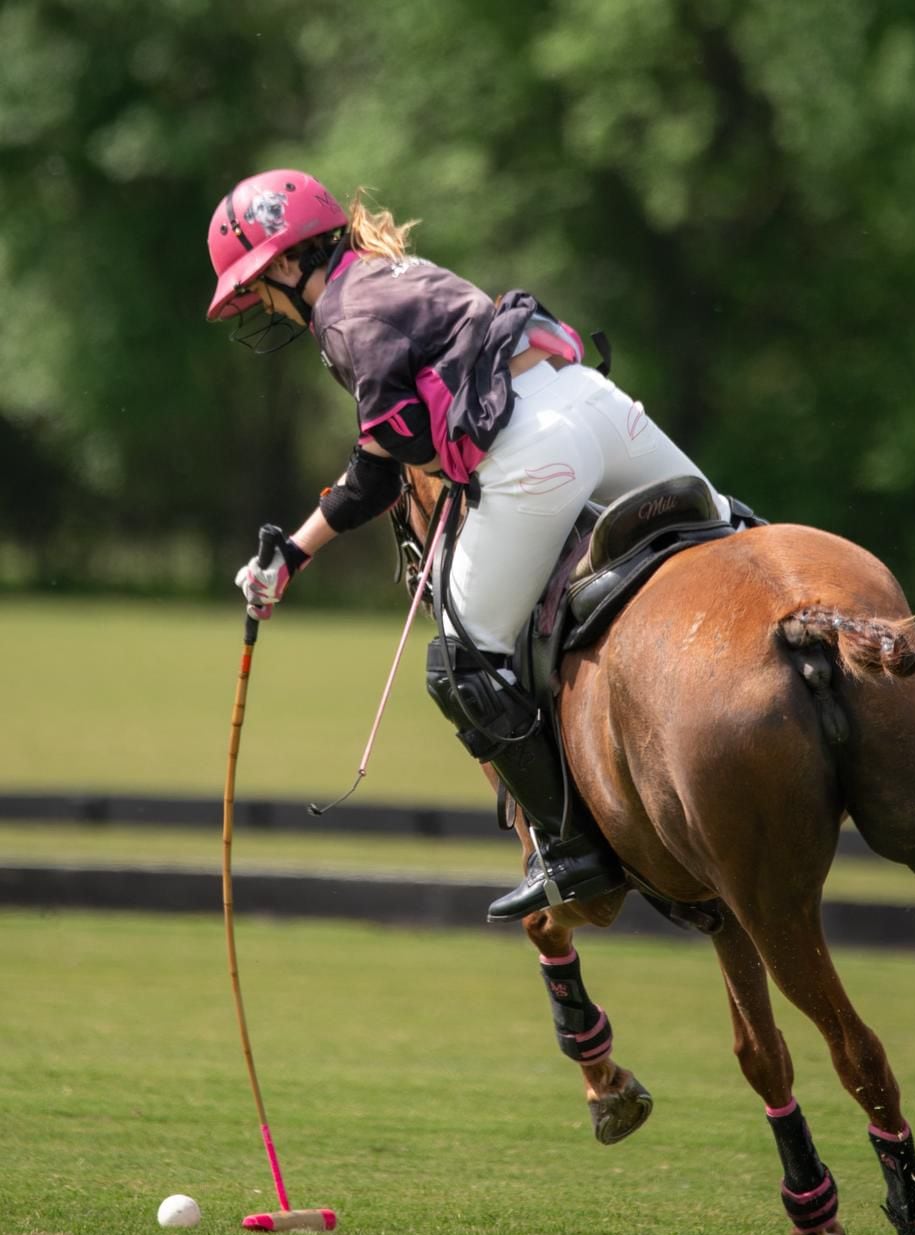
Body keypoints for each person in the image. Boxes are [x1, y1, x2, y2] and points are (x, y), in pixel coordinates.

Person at [207, 168, 734, 922]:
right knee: (730, 536)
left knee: (460, 661)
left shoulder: (343, 318)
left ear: (290, 262)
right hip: (593, 402)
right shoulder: (397, 267)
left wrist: (291, 554)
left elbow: (382, 475)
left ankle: (569, 852)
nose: (259, 301)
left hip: (537, 455)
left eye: (257, 282)